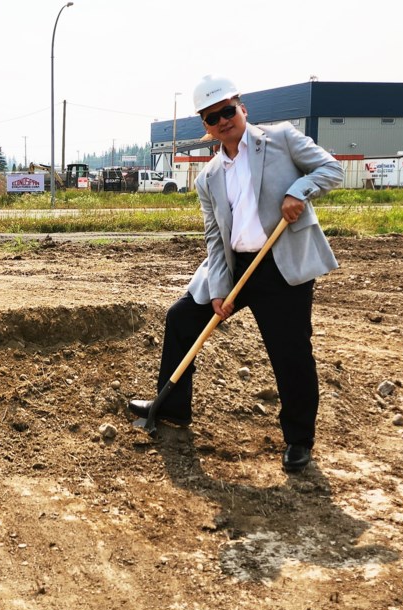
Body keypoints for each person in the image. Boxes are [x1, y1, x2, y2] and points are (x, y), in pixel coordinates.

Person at [127, 75, 343, 473]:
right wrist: (219, 290)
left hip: (281, 267)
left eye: (228, 110)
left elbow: (331, 170)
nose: (223, 120)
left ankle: (299, 440)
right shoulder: (209, 176)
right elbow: (214, 237)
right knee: (181, 318)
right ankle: (171, 407)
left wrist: (299, 191)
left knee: (290, 353)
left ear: (242, 108)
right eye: (213, 117)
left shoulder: (281, 139)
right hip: (236, 265)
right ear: (206, 126)